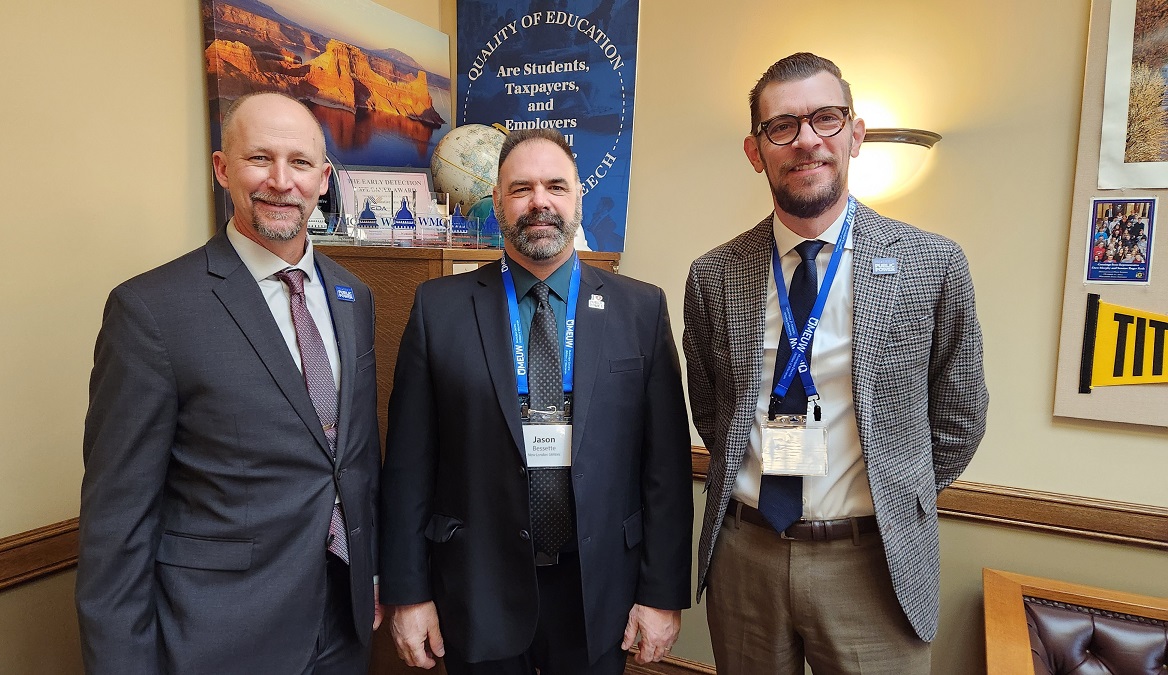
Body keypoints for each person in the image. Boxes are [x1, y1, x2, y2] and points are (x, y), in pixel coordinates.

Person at [684, 53, 988, 674]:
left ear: (855, 133)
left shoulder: (931, 262)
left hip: (874, 565)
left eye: (826, 119)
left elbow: (960, 412)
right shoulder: (714, 274)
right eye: (782, 127)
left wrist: (898, 494)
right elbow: (713, 410)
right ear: (755, 150)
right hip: (747, 556)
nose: (807, 141)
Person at [77, 91, 382, 674]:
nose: (280, 181)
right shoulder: (152, 311)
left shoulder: (353, 297)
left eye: (299, 163)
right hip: (219, 636)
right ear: (223, 169)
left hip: (342, 627)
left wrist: (371, 569)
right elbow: (117, 521)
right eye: (258, 159)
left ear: (323, 179)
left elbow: (354, 458)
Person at [381, 128, 693, 674]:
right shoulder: (440, 308)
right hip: (477, 587)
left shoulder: (640, 310)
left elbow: (664, 467)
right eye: (521, 188)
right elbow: (409, 465)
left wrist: (662, 593)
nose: (540, 202)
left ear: (579, 198)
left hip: (599, 590)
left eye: (556, 186)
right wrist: (409, 593)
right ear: (497, 201)